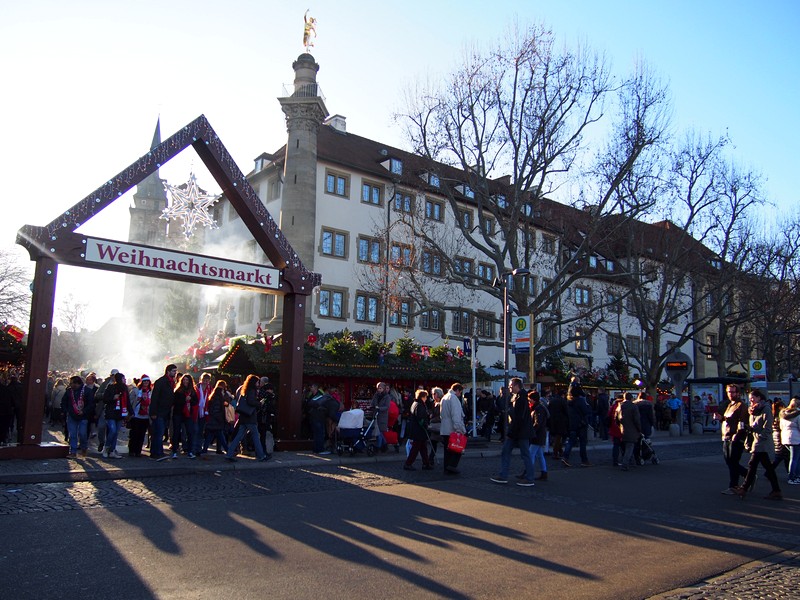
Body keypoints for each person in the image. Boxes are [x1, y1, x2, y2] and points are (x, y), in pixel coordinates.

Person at [735, 388, 782, 500]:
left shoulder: (765, 409)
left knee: (752, 464)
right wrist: (748, 428)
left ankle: (744, 488)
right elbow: (753, 425)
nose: (751, 401)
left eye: (753, 399)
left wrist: (761, 437)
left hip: (762, 442)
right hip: (756, 440)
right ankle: (776, 490)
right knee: (767, 467)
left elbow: (767, 427)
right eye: (750, 399)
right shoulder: (753, 410)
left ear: (759, 398)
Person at [491, 378, 535, 486]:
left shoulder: (521, 399)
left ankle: (528, 477)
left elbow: (519, 418)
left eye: (511, 386)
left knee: (522, 454)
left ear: (516, 386)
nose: (510, 388)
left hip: (519, 431)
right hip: (518, 431)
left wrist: (512, 431)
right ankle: (504, 475)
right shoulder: (519, 397)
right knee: (516, 453)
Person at [226, 374, 269, 462]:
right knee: (255, 436)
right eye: (257, 381)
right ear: (254, 382)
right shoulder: (252, 390)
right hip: (250, 417)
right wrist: (260, 403)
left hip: (243, 417)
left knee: (238, 436)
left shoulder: (245, 390)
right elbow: (251, 402)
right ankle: (261, 455)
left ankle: (229, 454)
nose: (258, 383)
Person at [718, 383, 749, 495]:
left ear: (738, 393)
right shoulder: (730, 405)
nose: (730, 394)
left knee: (733, 462)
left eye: (732, 392)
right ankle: (746, 475)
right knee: (729, 462)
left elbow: (742, 422)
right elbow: (728, 420)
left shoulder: (741, 405)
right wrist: (721, 418)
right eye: (728, 392)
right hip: (726, 436)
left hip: (735, 437)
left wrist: (738, 435)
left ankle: (734, 485)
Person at [561, 377, 593, 467]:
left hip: (572, 423)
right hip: (581, 424)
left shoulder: (569, 401)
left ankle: (565, 457)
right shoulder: (580, 401)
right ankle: (584, 460)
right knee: (582, 443)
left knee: (571, 441)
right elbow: (586, 411)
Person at [149, 364, 177, 461]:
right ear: (168, 371)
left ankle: (155, 452)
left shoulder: (171, 382)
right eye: (173, 371)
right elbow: (155, 397)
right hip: (159, 411)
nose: (175, 373)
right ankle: (157, 452)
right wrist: (153, 412)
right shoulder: (161, 382)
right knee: (158, 432)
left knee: (159, 432)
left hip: (166, 412)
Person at [64, 375, 95, 457]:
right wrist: (67, 411)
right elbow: (64, 402)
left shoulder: (87, 391)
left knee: (82, 434)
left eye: (71, 383)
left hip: (83, 416)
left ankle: (84, 447)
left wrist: (84, 411)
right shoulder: (69, 391)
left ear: (77, 383)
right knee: (73, 434)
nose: (70, 385)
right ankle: (73, 451)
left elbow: (91, 404)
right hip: (72, 415)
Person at [440, 383, 467, 475]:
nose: (460, 395)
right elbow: (456, 416)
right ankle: (452, 466)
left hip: (444, 428)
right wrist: (459, 429)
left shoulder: (445, 397)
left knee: (447, 451)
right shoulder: (454, 399)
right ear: (458, 390)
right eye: (460, 392)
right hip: (452, 428)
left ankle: (446, 468)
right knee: (457, 449)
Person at [403, 390, 433, 471]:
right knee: (415, 448)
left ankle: (426, 463)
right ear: (423, 397)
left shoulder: (415, 403)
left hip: (416, 429)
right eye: (426, 397)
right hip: (419, 430)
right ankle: (408, 463)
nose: (426, 399)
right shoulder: (420, 405)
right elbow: (420, 418)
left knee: (423, 448)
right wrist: (425, 425)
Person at [102, 372, 129, 459]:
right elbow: (105, 399)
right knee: (112, 430)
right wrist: (112, 398)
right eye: (123, 379)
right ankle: (106, 448)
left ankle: (112, 450)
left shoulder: (125, 389)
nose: (124, 380)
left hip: (120, 413)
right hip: (111, 412)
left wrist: (130, 412)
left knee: (116, 433)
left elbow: (127, 401)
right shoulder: (110, 387)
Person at [172, 374, 199, 459]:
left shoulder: (193, 391)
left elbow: (195, 401)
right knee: (176, 432)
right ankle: (174, 451)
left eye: (187, 380)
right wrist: (184, 400)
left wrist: (190, 400)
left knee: (190, 432)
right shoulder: (178, 391)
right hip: (178, 413)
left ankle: (190, 451)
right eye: (184, 380)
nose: (185, 382)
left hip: (188, 414)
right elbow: (175, 401)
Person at [202, 380, 230, 455]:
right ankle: (228, 451)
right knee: (220, 436)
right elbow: (216, 410)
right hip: (217, 420)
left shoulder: (213, 397)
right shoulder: (218, 399)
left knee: (210, 436)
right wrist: (220, 419)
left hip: (212, 420)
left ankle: (204, 450)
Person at [127, 375, 152, 457]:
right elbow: (130, 401)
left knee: (142, 434)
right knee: (134, 433)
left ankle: (138, 451)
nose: (146, 383)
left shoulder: (150, 392)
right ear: (142, 382)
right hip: (136, 415)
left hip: (145, 416)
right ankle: (132, 450)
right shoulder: (136, 391)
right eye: (144, 381)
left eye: (147, 381)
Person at [616, 392, 642, 471]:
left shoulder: (620, 406)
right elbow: (637, 420)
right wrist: (639, 429)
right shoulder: (633, 407)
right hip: (632, 429)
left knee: (627, 446)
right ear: (631, 398)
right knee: (630, 447)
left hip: (623, 428)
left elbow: (617, 419)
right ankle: (625, 464)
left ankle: (632, 462)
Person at [527, 390, 549, 480]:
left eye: (530, 400)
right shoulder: (540, 407)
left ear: (533, 399)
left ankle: (529, 473)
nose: (529, 402)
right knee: (539, 455)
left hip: (537, 435)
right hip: (540, 434)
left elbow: (537, 423)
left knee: (531, 454)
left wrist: (532, 431)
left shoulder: (537, 409)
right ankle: (544, 472)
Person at [779, 396, 800, 484]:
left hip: (785, 437)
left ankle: (795, 476)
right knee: (795, 458)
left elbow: (781, 427)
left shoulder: (783, 413)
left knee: (795, 458)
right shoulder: (798, 414)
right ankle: (792, 477)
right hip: (796, 438)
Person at [194, 373, 213, 456]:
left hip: (205, 412)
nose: (206, 381)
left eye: (207, 380)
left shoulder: (210, 389)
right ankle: (193, 447)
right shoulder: (196, 388)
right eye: (204, 380)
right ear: (201, 380)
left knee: (201, 431)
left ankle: (198, 448)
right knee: (195, 430)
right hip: (196, 411)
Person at [369, 381, 391, 452]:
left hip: (382, 416)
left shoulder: (387, 397)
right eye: (378, 388)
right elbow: (372, 402)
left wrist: (379, 408)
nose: (379, 390)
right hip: (376, 415)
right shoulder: (376, 395)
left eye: (380, 388)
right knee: (378, 431)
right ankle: (384, 445)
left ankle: (379, 446)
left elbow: (387, 407)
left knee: (380, 432)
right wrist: (372, 406)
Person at [548, 390, 569, 460]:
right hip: (560, 421)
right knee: (558, 437)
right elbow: (566, 411)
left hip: (552, 421)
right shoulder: (562, 401)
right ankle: (556, 452)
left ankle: (560, 451)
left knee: (557, 437)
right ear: (563, 395)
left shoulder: (552, 400)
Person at [608, 393, 624, 466]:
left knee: (616, 445)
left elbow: (609, 417)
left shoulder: (613, 406)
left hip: (614, 428)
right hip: (622, 429)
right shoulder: (623, 406)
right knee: (624, 445)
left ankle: (615, 460)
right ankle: (625, 459)